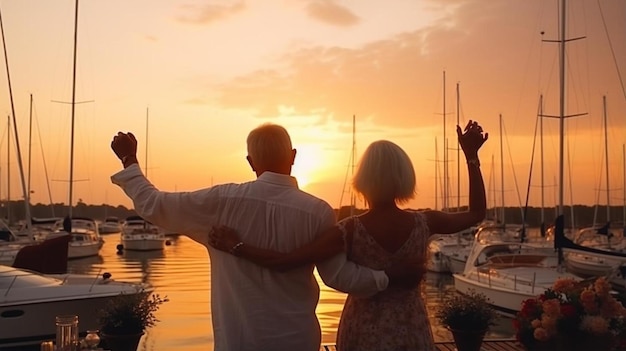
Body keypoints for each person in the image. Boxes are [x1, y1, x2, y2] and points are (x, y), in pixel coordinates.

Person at [109, 123, 422, 351]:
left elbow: (153, 204)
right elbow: (339, 277)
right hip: (298, 340)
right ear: (294, 156)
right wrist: (387, 276)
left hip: (239, 339)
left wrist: (129, 161)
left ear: (250, 162)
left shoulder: (221, 203)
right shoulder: (319, 212)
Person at [208, 120, 489, 351]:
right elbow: (476, 213)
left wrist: (238, 247)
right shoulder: (425, 222)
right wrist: (471, 157)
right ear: (405, 176)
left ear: (363, 179)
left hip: (362, 331)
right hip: (410, 328)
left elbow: (286, 262)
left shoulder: (349, 230)